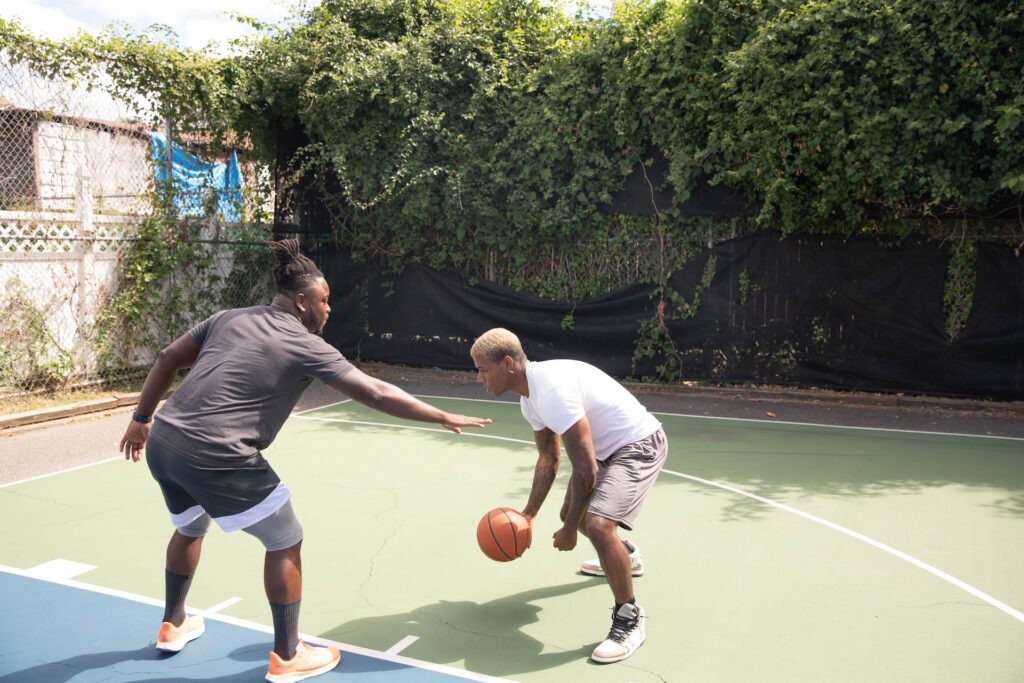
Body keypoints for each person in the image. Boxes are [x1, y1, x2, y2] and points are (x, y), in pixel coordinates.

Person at [119, 239, 491, 683]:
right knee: (284, 539)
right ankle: (288, 655)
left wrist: (141, 418)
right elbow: (375, 391)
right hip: (218, 453)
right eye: (324, 300)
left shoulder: (228, 318)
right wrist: (440, 414)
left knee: (189, 526)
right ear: (301, 301)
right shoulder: (304, 343)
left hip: (166, 439)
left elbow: (167, 357)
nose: (328, 309)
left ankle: (173, 623)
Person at [469, 328, 667, 664]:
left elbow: (587, 471)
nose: (479, 378)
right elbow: (550, 458)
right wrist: (528, 515)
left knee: (598, 524)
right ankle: (626, 557)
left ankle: (628, 618)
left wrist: (571, 531)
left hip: (638, 445)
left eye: (483, 369)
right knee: (571, 515)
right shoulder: (529, 399)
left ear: (508, 364)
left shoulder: (552, 392)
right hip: (608, 451)